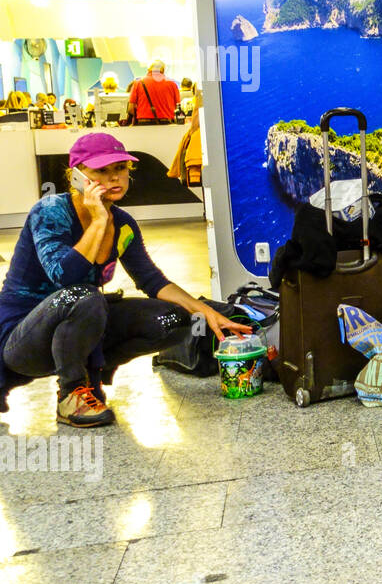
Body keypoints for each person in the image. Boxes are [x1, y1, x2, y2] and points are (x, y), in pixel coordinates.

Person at [0, 132, 251, 425]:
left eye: (120, 168)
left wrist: (206, 312)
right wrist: (98, 221)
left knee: (176, 318)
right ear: (78, 176)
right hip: (22, 336)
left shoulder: (123, 224)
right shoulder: (50, 211)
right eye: (101, 171)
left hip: (79, 321)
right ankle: (71, 393)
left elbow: (152, 281)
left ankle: (91, 369)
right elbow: (64, 276)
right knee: (83, 295)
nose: (114, 177)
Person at [128, 60, 180, 125]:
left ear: (149, 69)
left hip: (144, 123)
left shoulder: (138, 83)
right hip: (166, 123)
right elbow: (177, 107)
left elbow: (130, 108)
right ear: (163, 70)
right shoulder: (172, 84)